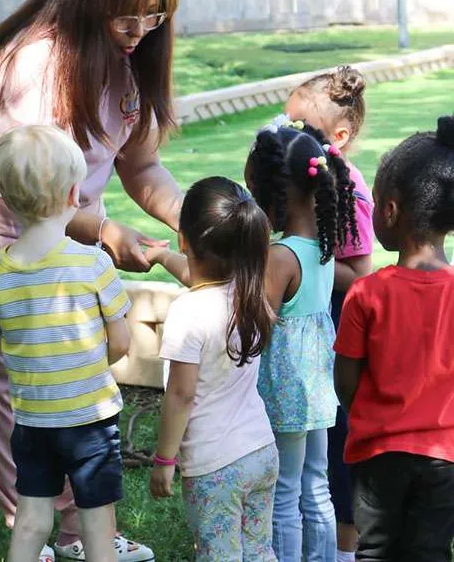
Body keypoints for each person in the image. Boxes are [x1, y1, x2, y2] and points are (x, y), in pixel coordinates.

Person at [0, 0, 183, 561]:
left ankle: (70, 531)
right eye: (127, 15)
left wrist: (191, 221)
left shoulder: (125, 59)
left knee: (68, 379)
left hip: (70, 231)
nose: (140, 31)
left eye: (154, 18)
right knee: (16, 391)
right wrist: (104, 232)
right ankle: (46, 532)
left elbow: (141, 166)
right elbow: (39, 190)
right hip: (0, 236)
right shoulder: (33, 65)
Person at [0, 126, 131, 562]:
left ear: (7, 199)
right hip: (90, 417)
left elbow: (3, 338)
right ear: (72, 194)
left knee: (31, 517)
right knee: (97, 521)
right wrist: (90, 364)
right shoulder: (93, 263)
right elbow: (121, 342)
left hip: (32, 419)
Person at [334, 115, 454, 562]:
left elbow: (346, 380)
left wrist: (370, 413)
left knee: (376, 552)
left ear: (389, 210)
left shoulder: (366, 293)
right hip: (446, 458)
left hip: (378, 455)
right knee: (430, 552)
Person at [145, 177, 278, 560]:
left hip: (215, 465)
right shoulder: (250, 294)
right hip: (260, 450)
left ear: (183, 239)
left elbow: (181, 394)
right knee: (258, 553)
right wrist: (160, 257)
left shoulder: (187, 313)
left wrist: (164, 460)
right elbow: (198, 279)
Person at [245, 121, 357, 562]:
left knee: (284, 492)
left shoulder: (280, 255)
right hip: (318, 389)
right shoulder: (322, 249)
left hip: (286, 393)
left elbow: (259, 325)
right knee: (316, 486)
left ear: (273, 195)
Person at [286, 66, 373, 562]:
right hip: (308, 319)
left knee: (337, 436)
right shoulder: (300, 176)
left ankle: (344, 548)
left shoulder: (345, 185)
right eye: (286, 124)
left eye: (302, 128)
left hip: (337, 328)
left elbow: (359, 274)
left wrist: (303, 260)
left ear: (337, 138)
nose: (289, 136)